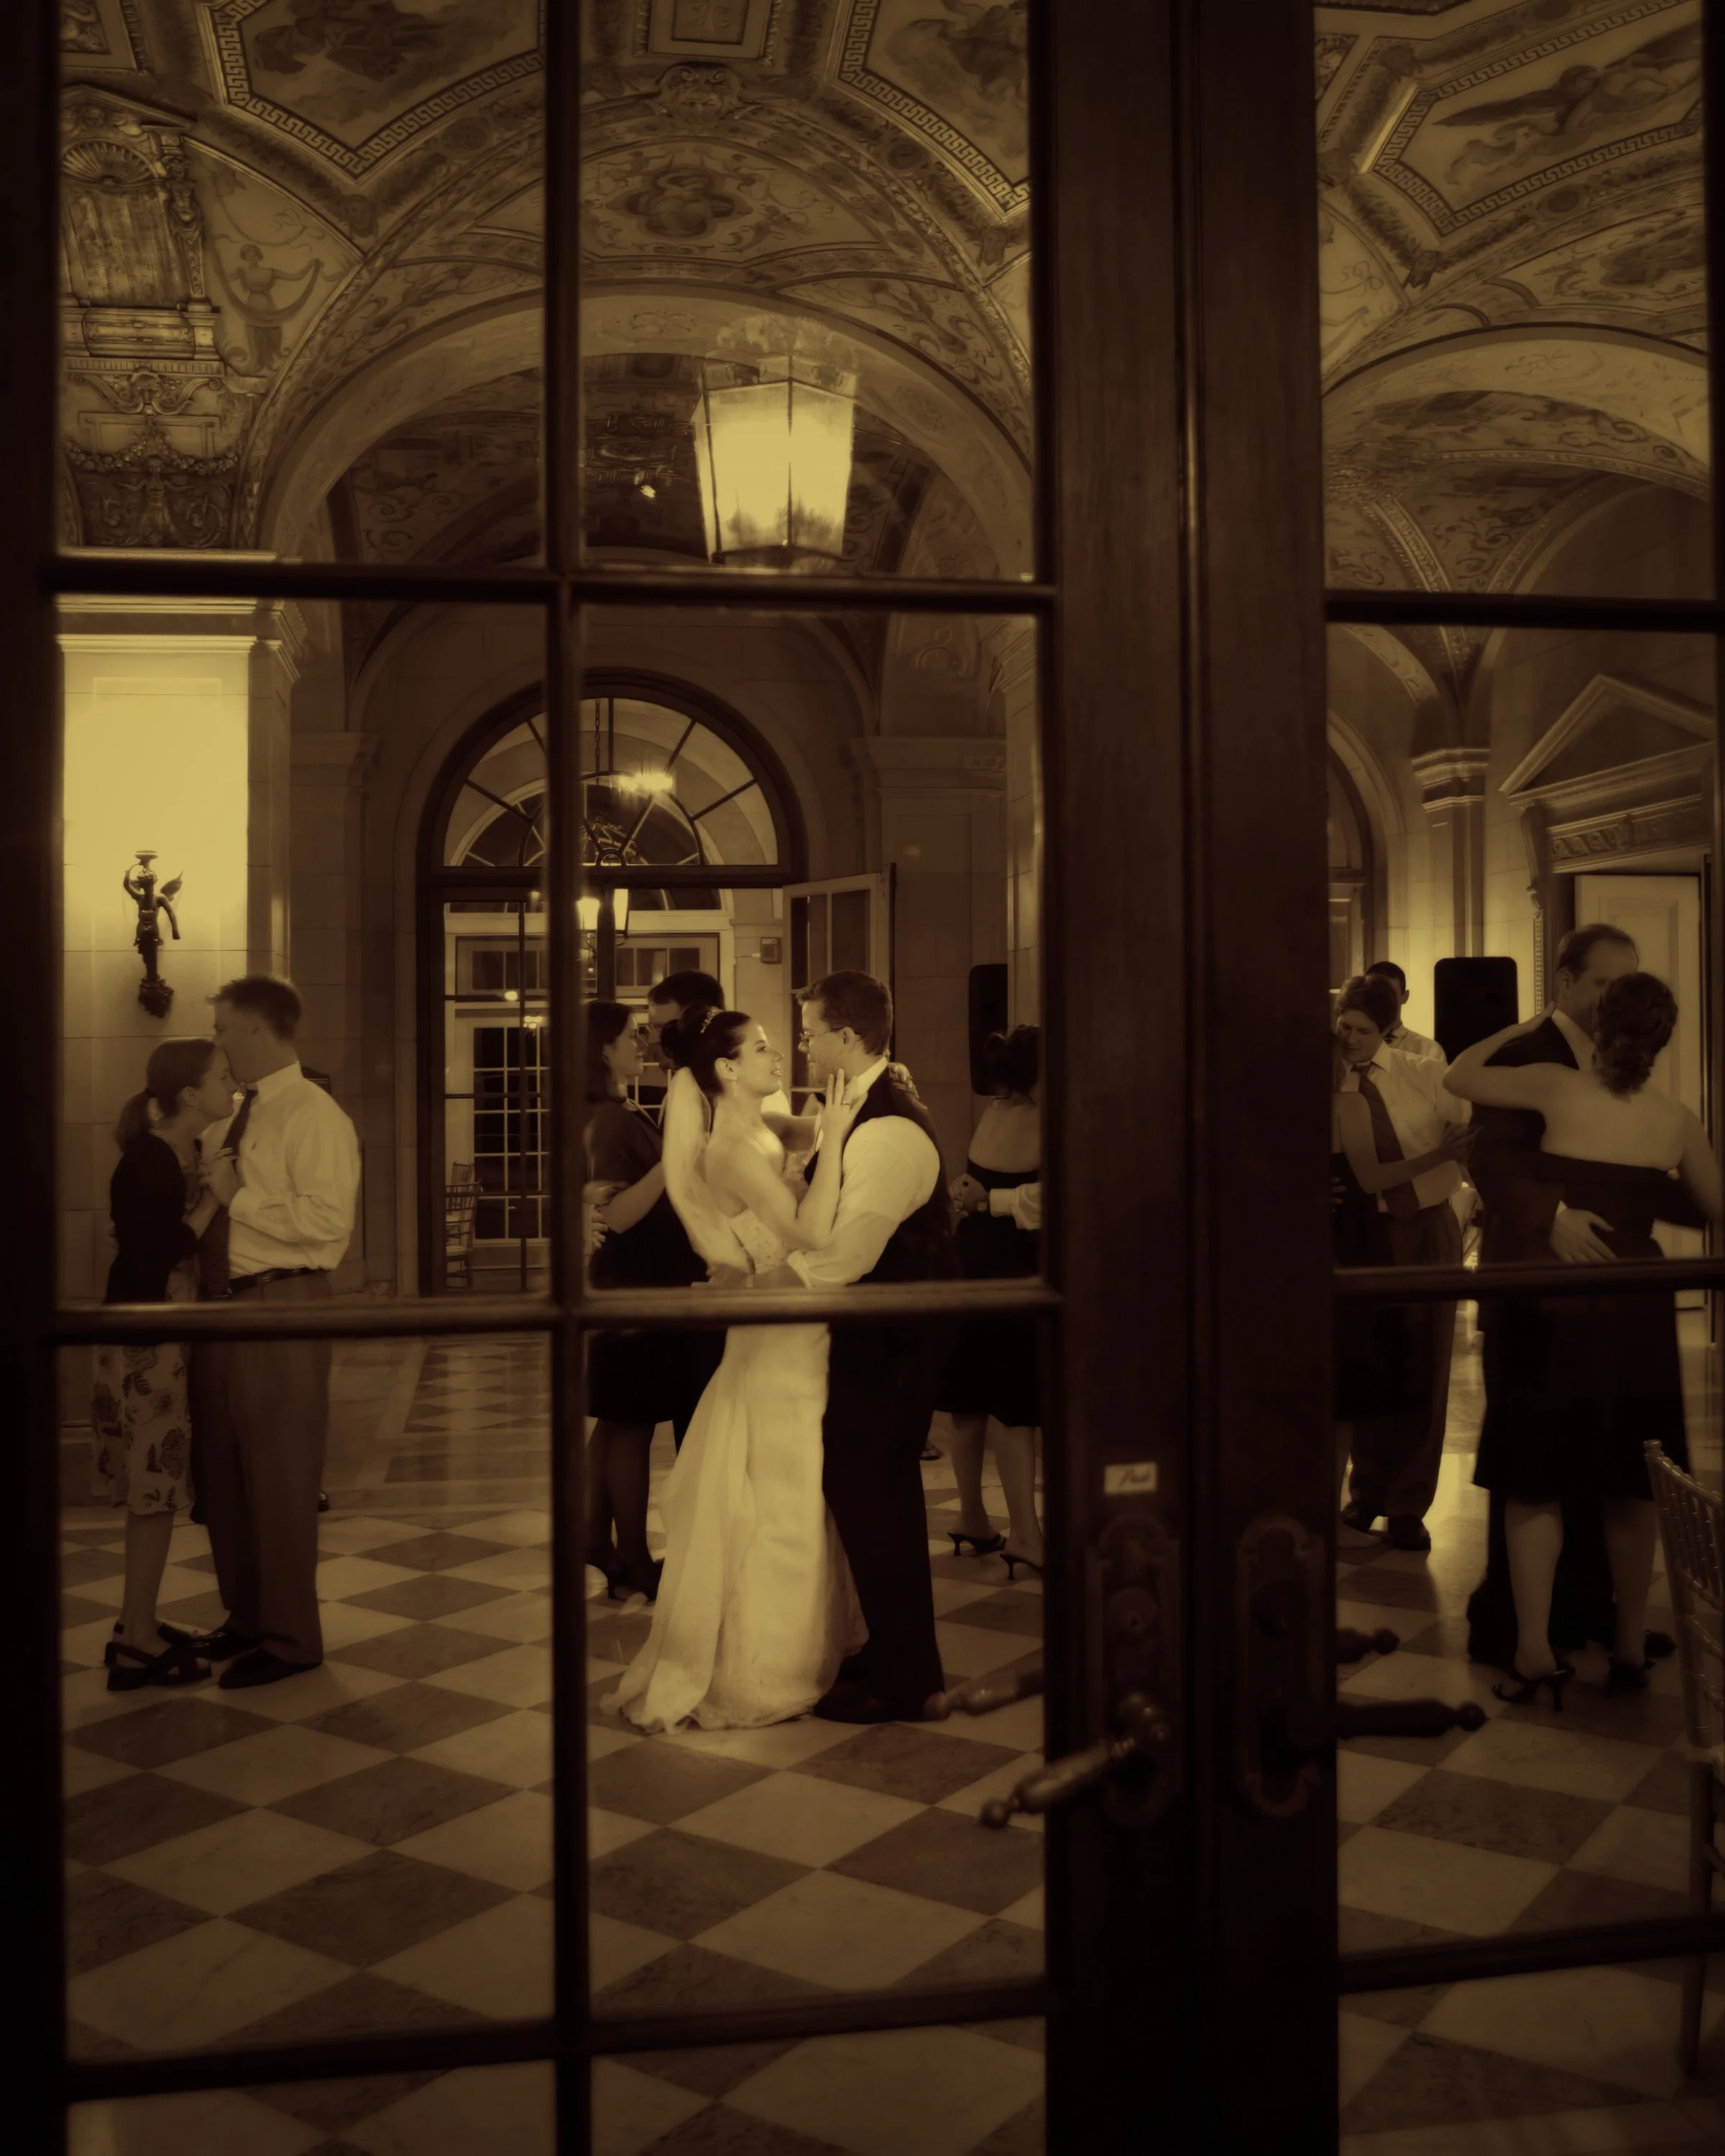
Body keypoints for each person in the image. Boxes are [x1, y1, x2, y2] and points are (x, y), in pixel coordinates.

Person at [1443, 972, 1721, 1706]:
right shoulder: (1676, 1119)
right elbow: (1715, 1204)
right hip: (1636, 1300)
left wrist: (1524, 1021)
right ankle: (1629, 1643)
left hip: (1556, 1295)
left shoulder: (1557, 1088)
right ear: (1663, 1040)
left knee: (1536, 1478)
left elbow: (1458, 1073)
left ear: (1601, 1024)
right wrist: (1644, 1198)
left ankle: (1534, 1651)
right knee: (1634, 1480)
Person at [612, 1008, 865, 1730]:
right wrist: (840, 1141)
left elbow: (797, 1135)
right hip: (778, 1332)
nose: (775, 1055)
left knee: (798, 1486)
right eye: (758, 1049)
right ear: (725, 1069)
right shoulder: (729, 1151)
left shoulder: (759, 1129)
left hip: (788, 1322)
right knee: (781, 1492)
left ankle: (808, 1641)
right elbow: (812, 1234)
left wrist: (834, 1116)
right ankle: (769, 1666)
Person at [786, 969, 959, 1721]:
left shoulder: (889, 1128)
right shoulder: (851, 1103)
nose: (803, 1041)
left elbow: (848, 1255)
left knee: (878, 1495)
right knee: (864, 1495)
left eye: (811, 1029)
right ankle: (887, 1652)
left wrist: (769, 1285)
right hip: (873, 1333)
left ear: (847, 1037)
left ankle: (909, 1677)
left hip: (894, 1340)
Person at [187, 976, 361, 1690]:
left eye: (225, 1028)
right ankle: (247, 1616)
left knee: (281, 1473)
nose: (219, 1042)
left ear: (259, 1029)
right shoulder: (235, 1114)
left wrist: (238, 1198)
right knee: (223, 1473)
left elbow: (326, 1227)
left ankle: (292, 1637)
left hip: (282, 1302)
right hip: (221, 1306)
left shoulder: (313, 1115)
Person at [93, 1039, 236, 1691]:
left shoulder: (166, 1155)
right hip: (145, 1344)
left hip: (148, 1339)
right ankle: (138, 1640)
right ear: (189, 1095)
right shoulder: (149, 1160)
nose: (230, 1085)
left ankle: (135, 1624)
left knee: (156, 1496)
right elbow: (152, 1258)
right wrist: (215, 1201)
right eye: (221, 1077)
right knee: (154, 1496)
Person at [582, 1000, 716, 1600]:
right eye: (629, 1037)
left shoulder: (617, 1108)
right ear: (601, 1050)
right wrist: (675, 1160)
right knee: (631, 1425)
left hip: (634, 1287)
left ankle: (595, 1537)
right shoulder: (609, 1120)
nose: (641, 1045)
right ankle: (633, 1558)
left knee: (616, 1423)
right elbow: (616, 1214)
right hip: (632, 1290)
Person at [1333, 973, 1471, 1552]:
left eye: (1363, 1031)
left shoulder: (1425, 1073)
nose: (1351, 1040)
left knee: (1425, 1364)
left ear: (1388, 1029)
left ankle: (1409, 1505)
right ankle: (1366, 1494)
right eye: (1344, 1027)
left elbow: (1471, 1135)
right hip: (1365, 1235)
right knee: (1369, 1363)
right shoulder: (1331, 1080)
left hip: (1426, 1227)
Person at [940, 1024, 1044, 1577]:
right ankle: (1023, 1530)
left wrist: (978, 1198)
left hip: (978, 1259)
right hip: (1011, 1265)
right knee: (1008, 1402)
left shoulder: (999, 1113)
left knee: (977, 1397)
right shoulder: (1041, 1116)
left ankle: (976, 1518)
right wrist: (985, 1201)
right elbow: (1058, 1199)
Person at [1363, 959, 1446, 1064]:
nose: (1381, 1001)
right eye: (1374, 994)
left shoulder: (1428, 1052)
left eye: (1390, 995)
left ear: (1405, 997)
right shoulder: (1350, 1048)